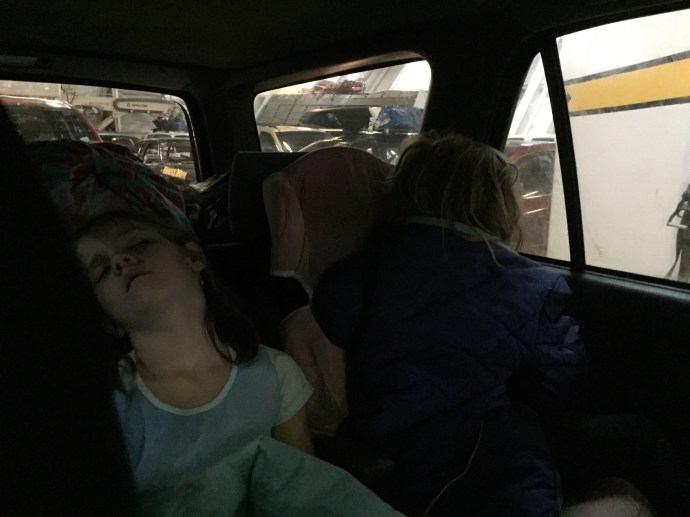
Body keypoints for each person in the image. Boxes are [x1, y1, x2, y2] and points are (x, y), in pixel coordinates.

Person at [311, 131, 588, 516]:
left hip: (377, 466)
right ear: (497, 202)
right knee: (636, 438)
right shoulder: (529, 284)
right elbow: (559, 387)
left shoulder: (350, 275)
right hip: (492, 481)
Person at [74, 209, 316, 492]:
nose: (120, 261)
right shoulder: (105, 405)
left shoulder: (277, 374)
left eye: (139, 244)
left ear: (193, 257)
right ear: (107, 321)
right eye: (101, 271)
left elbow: (302, 491)